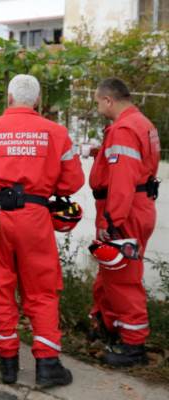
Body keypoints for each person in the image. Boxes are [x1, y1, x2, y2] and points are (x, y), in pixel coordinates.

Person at [0, 75, 84, 387]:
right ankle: (47, 364)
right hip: (35, 217)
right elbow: (72, 182)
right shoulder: (56, 133)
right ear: (37, 102)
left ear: (9, 100)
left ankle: (8, 364)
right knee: (41, 289)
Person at [88, 78, 160, 367]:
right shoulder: (142, 123)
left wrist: (111, 219)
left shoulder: (124, 129)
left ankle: (133, 346)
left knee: (124, 279)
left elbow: (122, 180)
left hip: (123, 212)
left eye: (97, 101)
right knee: (112, 274)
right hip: (136, 207)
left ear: (108, 100)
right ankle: (109, 327)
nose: (97, 106)